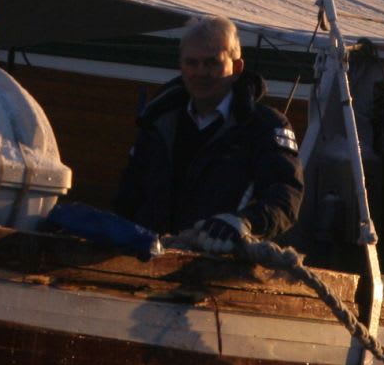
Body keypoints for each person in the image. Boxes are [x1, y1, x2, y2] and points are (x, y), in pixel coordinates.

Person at [111, 17, 304, 243]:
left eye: (212, 63)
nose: (201, 72)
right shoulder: (158, 123)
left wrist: (246, 222)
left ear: (237, 67)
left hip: (219, 263)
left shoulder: (264, 127)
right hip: (145, 261)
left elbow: (285, 196)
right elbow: (129, 195)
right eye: (192, 63)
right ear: (180, 66)